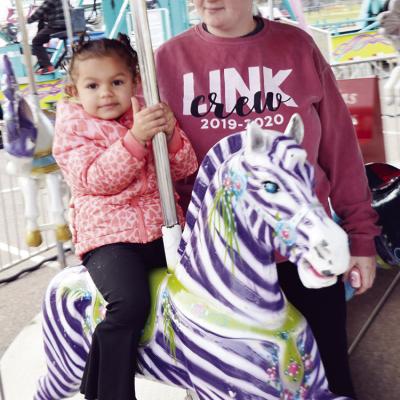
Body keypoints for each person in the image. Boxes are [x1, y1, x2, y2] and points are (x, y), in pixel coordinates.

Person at [155, 1, 380, 398]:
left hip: (300, 250)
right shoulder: (167, 61)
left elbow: (340, 151)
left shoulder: (297, 47)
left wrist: (360, 237)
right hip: (221, 270)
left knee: (327, 375)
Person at [52, 34, 198, 400]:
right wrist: (135, 139)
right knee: (130, 304)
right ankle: (112, 393)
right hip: (109, 237)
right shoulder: (73, 129)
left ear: (134, 82)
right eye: (93, 85)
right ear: (74, 91)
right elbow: (95, 179)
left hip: (162, 229)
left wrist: (171, 134)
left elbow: (185, 168)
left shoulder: (148, 113)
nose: (106, 93)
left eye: (117, 82)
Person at [27, 0, 66, 74]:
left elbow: (37, 14)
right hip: (65, 24)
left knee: (36, 42)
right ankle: (44, 62)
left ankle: (47, 67)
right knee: (41, 25)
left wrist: (26, 20)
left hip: (58, 26)